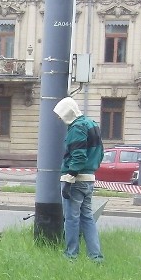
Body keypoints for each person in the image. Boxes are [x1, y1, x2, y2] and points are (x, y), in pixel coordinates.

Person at [54, 96, 104, 262]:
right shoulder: (92, 124)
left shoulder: (76, 128)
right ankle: (96, 257)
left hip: (76, 180)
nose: (59, 118)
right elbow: (100, 153)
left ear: (67, 112)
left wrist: (69, 178)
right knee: (87, 218)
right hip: (89, 179)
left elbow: (78, 156)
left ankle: (71, 255)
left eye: (60, 115)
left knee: (71, 219)